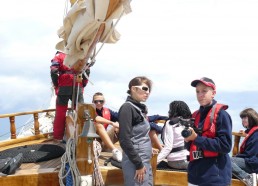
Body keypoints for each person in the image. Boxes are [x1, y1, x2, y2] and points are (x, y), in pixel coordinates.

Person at [185, 77, 232, 186]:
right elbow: (189, 147)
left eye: (204, 91)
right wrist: (188, 140)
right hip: (194, 176)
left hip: (215, 178)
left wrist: (196, 138)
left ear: (213, 93)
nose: (200, 95)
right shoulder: (195, 116)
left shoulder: (222, 115)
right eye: (197, 91)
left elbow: (225, 146)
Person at [118, 76, 153, 186]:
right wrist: (138, 164)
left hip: (144, 159)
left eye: (149, 90)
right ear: (133, 89)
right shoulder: (127, 108)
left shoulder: (139, 109)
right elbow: (124, 139)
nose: (147, 92)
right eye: (145, 89)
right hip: (136, 161)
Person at [50, 51, 90, 141]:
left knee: (60, 112)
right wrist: (83, 84)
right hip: (78, 85)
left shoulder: (59, 56)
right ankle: (83, 136)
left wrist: (56, 84)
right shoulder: (81, 54)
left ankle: (58, 137)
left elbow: (54, 71)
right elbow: (87, 70)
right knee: (81, 111)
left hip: (64, 86)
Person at [157, 100, 191, 170]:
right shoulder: (191, 122)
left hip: (177, 162)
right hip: (191, 160)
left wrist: (155, 162)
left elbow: (168, 147)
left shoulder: (170, 123)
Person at [231, 108, 258, 186]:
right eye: (242, 118)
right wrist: (245, 132)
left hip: (253, 164)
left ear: (252, 118)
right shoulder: (253, 131)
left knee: (226, 160)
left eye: (245, 118)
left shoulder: (256, 134)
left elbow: (251, 154)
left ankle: (247, 177)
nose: (243, 120)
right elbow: (250, 132)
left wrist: (236, 157)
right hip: (252, 161)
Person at [92, 92, 122, 162]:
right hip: (93, 143)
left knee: (121, 126)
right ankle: (115, 150)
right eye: (96, 101)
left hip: (105, 144)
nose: (98, 103)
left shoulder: (108, 111)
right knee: (99, 125)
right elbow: (96, 118)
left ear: (104, 102)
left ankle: (128, 151)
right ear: (92, 102)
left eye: (101, 101)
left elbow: (121, 117)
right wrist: (112, 123)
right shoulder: (88, 110)